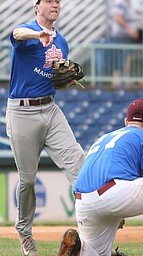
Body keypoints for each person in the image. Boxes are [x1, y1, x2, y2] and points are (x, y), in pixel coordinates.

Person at [59, 98, 143, 256]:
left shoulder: (102, 138)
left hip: (82, 201)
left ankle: (79, 250)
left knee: (98, 253)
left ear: (126, 121)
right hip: (113, 194)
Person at [6, 0, 86, 255]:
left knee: (78, 163)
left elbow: (56, 76)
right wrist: (37, 34)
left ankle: (92, 225)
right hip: (22, 112)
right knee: (27, 180)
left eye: (57, 1)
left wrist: (67, 77)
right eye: (48, 1)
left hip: (50, 109)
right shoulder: (26, 32)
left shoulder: (61, 41)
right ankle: (25, 234)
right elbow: (16, 34)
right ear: (36, 6)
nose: (54, 4)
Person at [107, 0, 139, 88]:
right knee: (119, 59)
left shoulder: (128, 3)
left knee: (126, 59)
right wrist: (129, 29)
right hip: (120, 37)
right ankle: (117, 81)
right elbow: (118, 17)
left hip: (125, 37)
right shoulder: (120, 2)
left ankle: (125, 80)